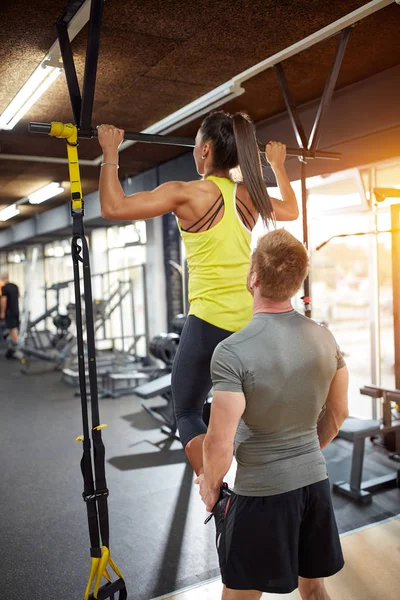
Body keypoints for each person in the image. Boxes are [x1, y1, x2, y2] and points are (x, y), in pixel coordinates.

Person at [97, 111, 299, 474]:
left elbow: (112, 207)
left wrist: (111, 152)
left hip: (209, 322)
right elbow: (291, 209)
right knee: (250, 412)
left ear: (205, 150)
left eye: (194, 146)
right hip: (251, 324)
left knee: (187, 411)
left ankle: (215, 493)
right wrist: (278, 166)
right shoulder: (248, 195)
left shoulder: (186, 193)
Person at [195, 228, 349, 600]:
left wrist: (210, 486)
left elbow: (219, 442)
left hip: (262, 494)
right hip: (315, 486)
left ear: (253, 278)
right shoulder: (324, 337)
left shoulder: (232, 351)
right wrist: (306, 454)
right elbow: (339, 411)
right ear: (296, 282)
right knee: (314, 592)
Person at [0, 272, 20, 355]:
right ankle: (13, 346)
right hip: (16, 310)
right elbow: (19, 296)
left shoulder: (5, 288)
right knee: (13, 329)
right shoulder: (15, 286)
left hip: (9, 312)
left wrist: (2, 312)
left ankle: (18, 349)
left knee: (13, 330)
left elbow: (3, 301)